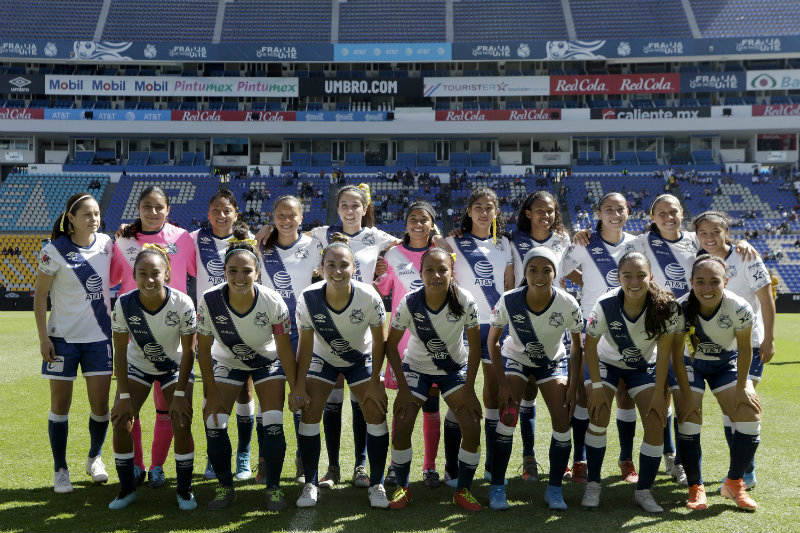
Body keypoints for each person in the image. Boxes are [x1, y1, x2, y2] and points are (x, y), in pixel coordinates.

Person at [302, 184, 398, 489]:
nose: (349, 210)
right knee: (331, 400)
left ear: (364, 207)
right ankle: (332, 466)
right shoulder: (321, 233)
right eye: (343, 204)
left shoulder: (377, 236)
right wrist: (266, 230)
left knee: (362, 401)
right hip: (328, 322)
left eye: (355, 205)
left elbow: (410, 242)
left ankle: (360, 465)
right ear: (337, 207)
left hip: (361, 322)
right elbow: (287, 236)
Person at [196, 238, 297, 510]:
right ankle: (224, 487)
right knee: (214, 421)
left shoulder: (273, 301)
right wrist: (212, 392)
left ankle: (273, 488)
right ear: (224, 271)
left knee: (274, 420)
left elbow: (285, 350)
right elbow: (203, 350)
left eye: (246, 271)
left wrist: (296, 387)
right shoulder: (209, 300)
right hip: (228, 361)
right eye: (233, 271)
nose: (239, 277)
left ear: (257, 272)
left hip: (266, 361)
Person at [291, 236, 390, 509]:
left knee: (374, 408)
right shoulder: (308, 298)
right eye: (330, 265)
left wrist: (374, 382)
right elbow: (306, 345)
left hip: (361, 359)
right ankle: (310, 483)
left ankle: (377, 483)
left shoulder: (369, 296)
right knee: (309, 411)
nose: (337, 270)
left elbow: (380, 342)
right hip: (324, 358)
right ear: (321, 268)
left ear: (354, 267)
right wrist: (299, 386)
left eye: (343, 265)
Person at [384, 247, 483, 511]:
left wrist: (470, 389)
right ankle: (402, 487)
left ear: (452, 273)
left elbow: (475, 346)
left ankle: (463, 490)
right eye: (430, 269)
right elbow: (390, 345)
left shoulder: (465, 300)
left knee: (472, 425)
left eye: (443, 270)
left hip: (453, 370)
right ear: (421, 273)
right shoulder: (410, 302)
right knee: (403, 421)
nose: (436, 275)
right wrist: (403, 389)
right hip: (416, 368)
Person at [35, 193, 120, 493]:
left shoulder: (108, 244)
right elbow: (40, 297)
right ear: (70, 218)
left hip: (99, 340)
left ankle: (94, 458)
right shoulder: (53, 251)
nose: (94, 219)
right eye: (87, 214)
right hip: (62, 340)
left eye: (97, 214)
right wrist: (44, 337)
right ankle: (60, 469)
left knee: (100, 407)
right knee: (60, 406)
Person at [112, 186, 197, 488]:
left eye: (158, 207)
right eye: (146, 206)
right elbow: (109, 276)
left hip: (173, 336)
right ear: (137, 208)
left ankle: (157, 467)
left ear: (168, 209)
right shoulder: (123, 239)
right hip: (133, 331)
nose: (152, 212)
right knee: (127, 411)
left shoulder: (185, 238)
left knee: (168, 409)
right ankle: (136, 465)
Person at [582, 252, 680, 513]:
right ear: (618, 277)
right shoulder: (605, 304)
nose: (634, 281)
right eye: (627, 275)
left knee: (657, 420)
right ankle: (593, 484)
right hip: (607, 364)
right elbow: (589, 347)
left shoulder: (666, 307)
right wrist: (596, 387)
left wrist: (660, 392)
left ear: (651, 277)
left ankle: (644, 490)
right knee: (598, 414)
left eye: (641, 275)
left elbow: (664, 354)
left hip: (643, 367)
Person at [487, 247, 583, 510]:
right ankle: (497, 488)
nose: (539, 275)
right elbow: (492, 341)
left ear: (555, 273)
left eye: (546, 270)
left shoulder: (567, 302)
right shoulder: (509, 299)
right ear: (525, 272)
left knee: (563, 420)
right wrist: (503, 383)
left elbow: (577, 348)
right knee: (507, 415)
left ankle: (554, 490)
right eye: (533, 269)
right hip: (517, 358)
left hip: (551, 362)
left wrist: (573, 388)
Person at [671, 255, 761, 512]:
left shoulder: (739, 306)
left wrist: (743, 385)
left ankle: (734, 482)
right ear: (691, 282)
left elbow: (745, 349)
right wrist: (686, 392)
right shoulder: (680, 308)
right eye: (700, 281)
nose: (707, 288)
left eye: (714, 281)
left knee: (750, 414)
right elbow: (676, 354)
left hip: (725, 364)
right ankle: (695, 487)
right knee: (688, 416)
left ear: (726, 282)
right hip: (690, 364)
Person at [560, 192, 638, 485]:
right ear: (599, 212)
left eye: (620, 209)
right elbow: (563, 271)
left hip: (629, 329)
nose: (614, 214)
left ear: (627, 212)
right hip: (591, 328)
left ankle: (626, 459)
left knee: (626, 396)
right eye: (608, 209)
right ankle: (579, 459)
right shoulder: (585, 243)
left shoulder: (637, 244)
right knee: (583, 394)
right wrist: (589, 282)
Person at [693, 211, 774, 489]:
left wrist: (769, 339)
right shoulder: (699, 259)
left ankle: (744, 473)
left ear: (727, 232)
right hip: (715, 345)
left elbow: (766, 297)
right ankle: (737, 471)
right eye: (703, 233)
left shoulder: (746, 255)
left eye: (716, 232)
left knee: (744, 405)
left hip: (748, 342)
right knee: (730, 412)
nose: (710, 238)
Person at [444, 187, 514, 485]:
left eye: (489, 207)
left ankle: (490, 464)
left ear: (496, 212)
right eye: (478, 207)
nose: (484, 212)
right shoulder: (452, 242)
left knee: (495, 397)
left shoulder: (505, 245)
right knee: (460, 396)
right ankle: (452, 467)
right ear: (469, 211)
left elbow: (509, 286)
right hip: (464, 327)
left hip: (497, 328)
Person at [374, 201, 444, 489]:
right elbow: (382, 291)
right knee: (403, 404)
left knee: (431, 405)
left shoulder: (440, 254)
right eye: (412, 218)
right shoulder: (392, 254)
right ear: (405, 223)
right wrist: (379, 273)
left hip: (435, 339)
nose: (417, 224)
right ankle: (395, 465)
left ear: (431, 224)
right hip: (403, 341)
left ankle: (429, 468)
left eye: (423, 219)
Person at [191, 189, 259, 482]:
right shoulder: (194, 239)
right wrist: (127, 231)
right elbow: (163, 241)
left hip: (244, 324)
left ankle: (243, 454)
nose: (221, 215)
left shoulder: (250, 242)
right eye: (215, 210)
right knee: (211, 391)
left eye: (226, 210)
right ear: (208, 213)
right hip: (209, 325)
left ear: (235, 213)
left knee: (244, 389)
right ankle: (215, 454)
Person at [508, 190, 573, 482]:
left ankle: (568, 461)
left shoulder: (565, 240)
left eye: (550, 211)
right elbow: (508, 278)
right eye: (539, 210)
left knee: (560, 396)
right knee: (527, 394)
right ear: (527, 214)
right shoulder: (512, 241)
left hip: (554, 321)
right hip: (522, 319)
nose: (545, 215)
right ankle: (529, 458)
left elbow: (572, 273)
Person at [259, 195, 322, 483]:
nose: (286, 220)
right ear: (272, 217)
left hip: (304, 331)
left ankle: (301, 461)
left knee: (301, 397)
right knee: (267, 402)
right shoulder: (260, 247)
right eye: (280, 215)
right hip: (270, 332)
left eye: (292, 215)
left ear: (301, 217)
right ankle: (265, 461)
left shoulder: (313, 245)